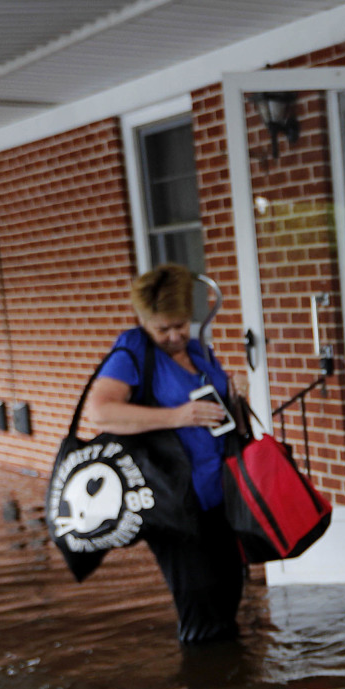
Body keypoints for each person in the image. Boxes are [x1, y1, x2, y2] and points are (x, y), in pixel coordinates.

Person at [86, 263, 246, 644]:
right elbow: (100, 411)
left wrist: (234, 400)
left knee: (228, 594)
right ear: (143, 321)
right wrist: (177, 416)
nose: (174, 335)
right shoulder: (132, 353)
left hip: (218, 496)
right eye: (164, 329)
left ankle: (227, 686)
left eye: (181, 325)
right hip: (174, 503)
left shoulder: (197, 350)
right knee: (200, 608)